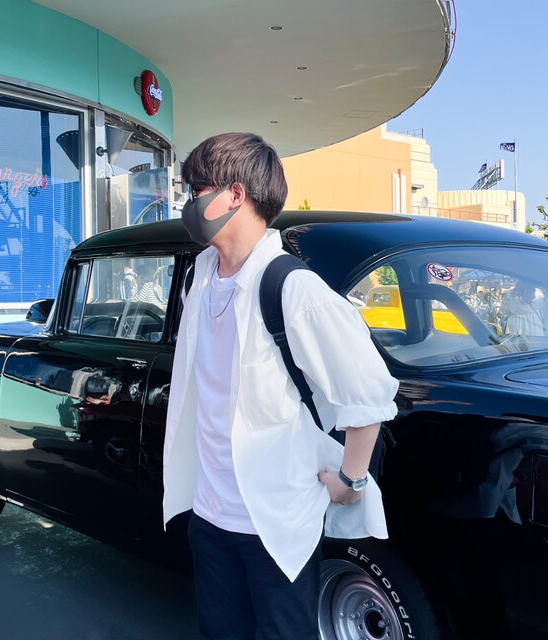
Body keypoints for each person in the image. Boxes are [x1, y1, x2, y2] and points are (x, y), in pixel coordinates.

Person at [163, 132, 399, 640]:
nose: (188, 202)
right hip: (209, 513)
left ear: (234, 194)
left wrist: (351, 481)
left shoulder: (292, 288)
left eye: (195, 189)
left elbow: (369, 394)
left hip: (275, 523)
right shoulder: (200, 276)